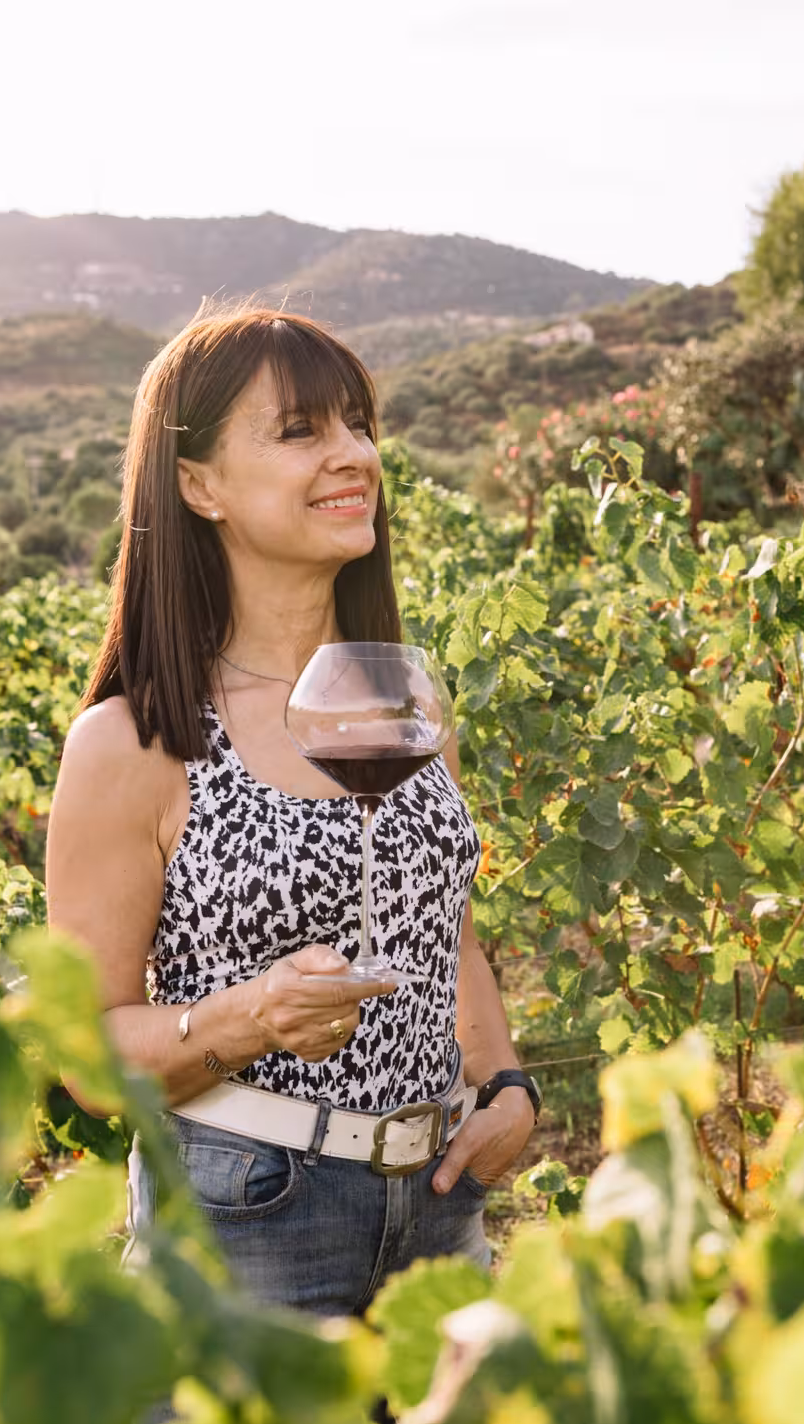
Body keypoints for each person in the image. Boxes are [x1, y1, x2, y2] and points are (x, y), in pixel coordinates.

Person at [46, 305, 541, 1318]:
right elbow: (89, 1056)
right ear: (198, 484)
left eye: (358, 425)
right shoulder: (135, 742)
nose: (352, 454)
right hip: (247, 1222)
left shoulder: (402, 711)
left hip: (442, 1215)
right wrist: (250, 1017)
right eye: (301, 431)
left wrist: (503, 1089)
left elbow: (449, 940)